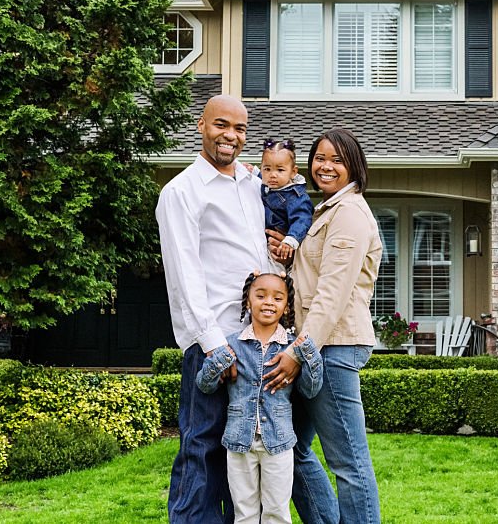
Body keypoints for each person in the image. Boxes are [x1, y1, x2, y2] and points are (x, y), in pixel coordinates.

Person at [156, 95, 278, 523]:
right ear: (201, 125)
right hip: (213, 340)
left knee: (240, 453)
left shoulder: (250, 182)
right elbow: (185, 274)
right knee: (201, 447)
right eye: (221, 125)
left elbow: (258, 259)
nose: (231, 136)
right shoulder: (181, 192)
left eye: (241, 128)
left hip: (254, 341)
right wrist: (213, 346)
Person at [264, 127, 383, 524]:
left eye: (337, 159)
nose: (326, 166)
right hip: (316, 346)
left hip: (331, 348)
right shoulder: (326, 211)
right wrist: (285, 256)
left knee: (348, 461)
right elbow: (314, 278)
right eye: (320, 158)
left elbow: (333, 291)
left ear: (354, 166)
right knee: (290, 448)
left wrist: (300, 350)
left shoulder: (348, 213)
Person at [196, 272, 323, 524]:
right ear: (247, 302)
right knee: (244, 513)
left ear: (286, 306)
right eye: (261, 295)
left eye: (277, 298)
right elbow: (205, 384)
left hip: (278, 443)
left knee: (277, 512)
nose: (268, 302)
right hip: (239, 442)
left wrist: (308, 352)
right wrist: (220, 359)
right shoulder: (231, 343)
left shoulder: (291, 348)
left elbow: (310, 390)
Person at [260, 138, 314, 263]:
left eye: (280, 170)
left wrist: (290, 240)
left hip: (282, 247)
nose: (272, 175)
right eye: (267, 169)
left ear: (293, 172)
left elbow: (302, 220)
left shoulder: (296, 197)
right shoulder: (269, 184)